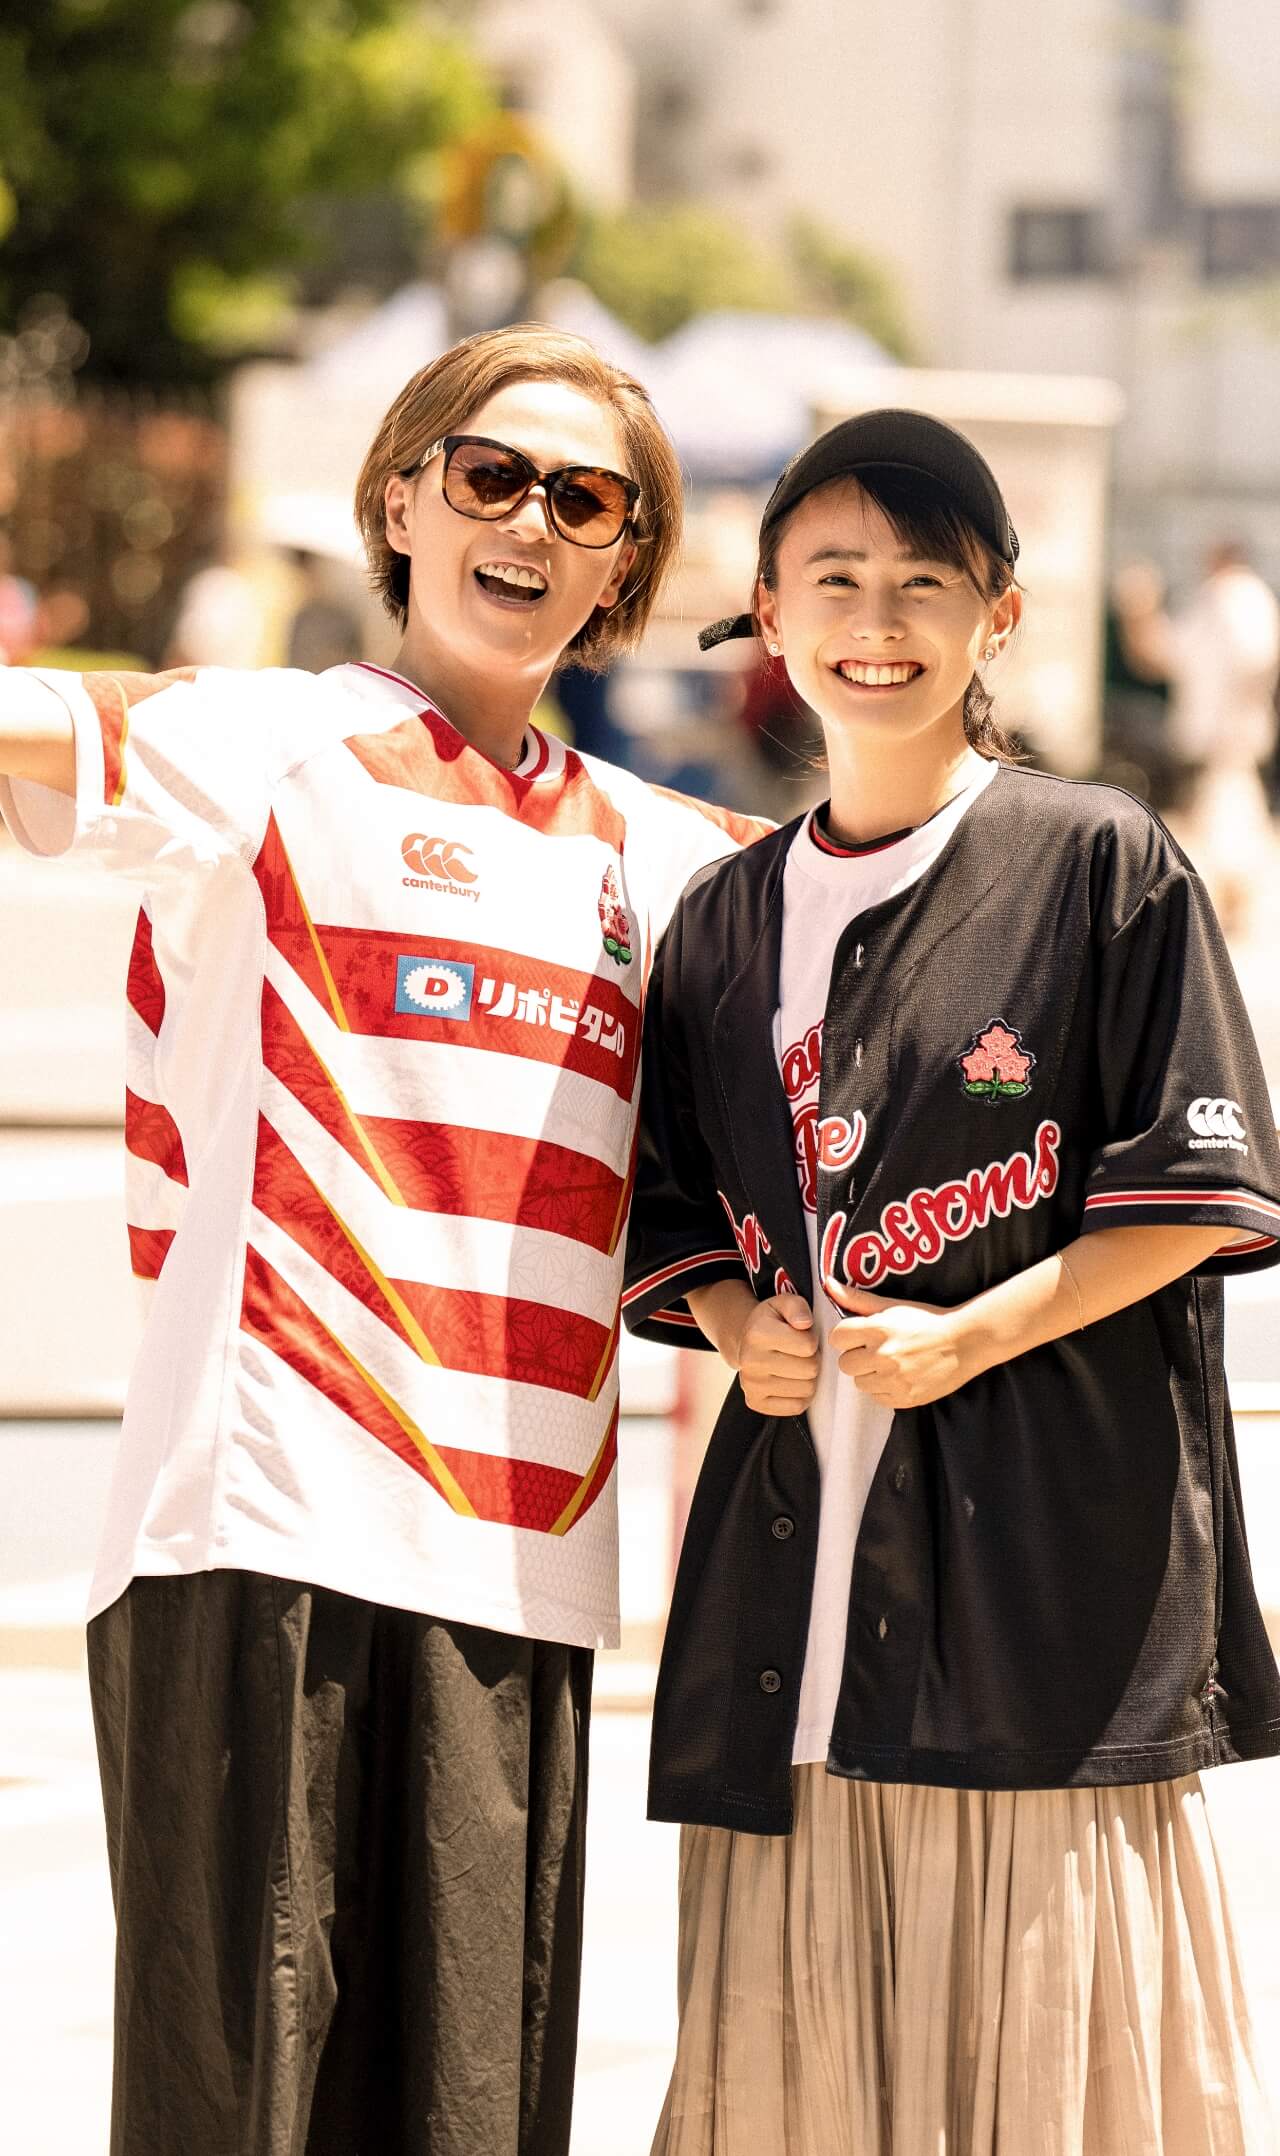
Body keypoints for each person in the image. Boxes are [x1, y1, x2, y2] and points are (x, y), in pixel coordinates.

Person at [0, 324, 766, 2156]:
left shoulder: (670, 859)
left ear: (625, 566)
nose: (529, 521)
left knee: (473, 2122)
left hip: (523, 1578)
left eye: (584, 500)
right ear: (404, 501)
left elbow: (926, 915)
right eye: (490, 474)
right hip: (259, 1529)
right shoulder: (261, 742)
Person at [624, 410, 1280, 2155]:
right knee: (800, 2087)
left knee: (1052, 2080)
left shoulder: (1099, 861)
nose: (877, 620)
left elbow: (1198, 1193)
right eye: (834, 578)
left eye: (926, 582)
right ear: (768, 614)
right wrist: (736, 1326)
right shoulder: (722, 921)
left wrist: (979, 1330)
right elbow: (670, 1204)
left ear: (1000, 617)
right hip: (793, 1624)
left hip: (1042, 1607)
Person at [1114, 542, 1280, 936]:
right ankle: (1227, 910)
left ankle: (1229, 911)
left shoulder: (1240, 596)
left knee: (1229, 821)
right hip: (1219, 738)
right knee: (1222, 819)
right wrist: (1140, 610)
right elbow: (1163, 656)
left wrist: (1235, 718)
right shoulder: (1219, 600)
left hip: (1226, 738)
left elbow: (1254, 661)